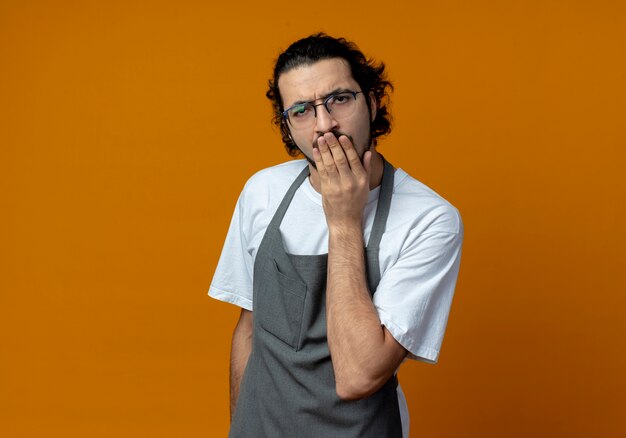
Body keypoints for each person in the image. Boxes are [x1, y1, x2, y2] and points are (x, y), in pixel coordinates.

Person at [209, 33, 463, 438]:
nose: (325, 124)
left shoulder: (430, 220)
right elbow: (250, 327)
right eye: (302, 111)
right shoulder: (262, 192)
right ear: (288, 127)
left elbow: (358, 376)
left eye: (339, 99)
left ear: (373, 102)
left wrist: (344, 220)